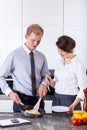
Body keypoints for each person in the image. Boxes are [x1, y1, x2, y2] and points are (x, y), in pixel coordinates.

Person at [0, 24, 49, 112]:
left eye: (38, 41)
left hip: (39, 101)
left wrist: (44, 84)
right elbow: (1, 76)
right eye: (33, 40)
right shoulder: (14, 55)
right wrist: (10, 93)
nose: (35, 44)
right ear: (26, 36)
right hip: (20, 101)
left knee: (41, 125)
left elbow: (45, 77)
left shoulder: (42, 57)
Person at [45, 35, 87, 112]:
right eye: (58, 50)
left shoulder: (78, 65)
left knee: (70, 123)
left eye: (63, 51)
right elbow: (56, 84)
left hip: (71, 101)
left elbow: (83, 90)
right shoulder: (59, 62)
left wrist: (73, 105)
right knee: (55, 123)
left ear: (70, 49)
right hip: (56, 99)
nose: (60, 53)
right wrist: (50, 82)